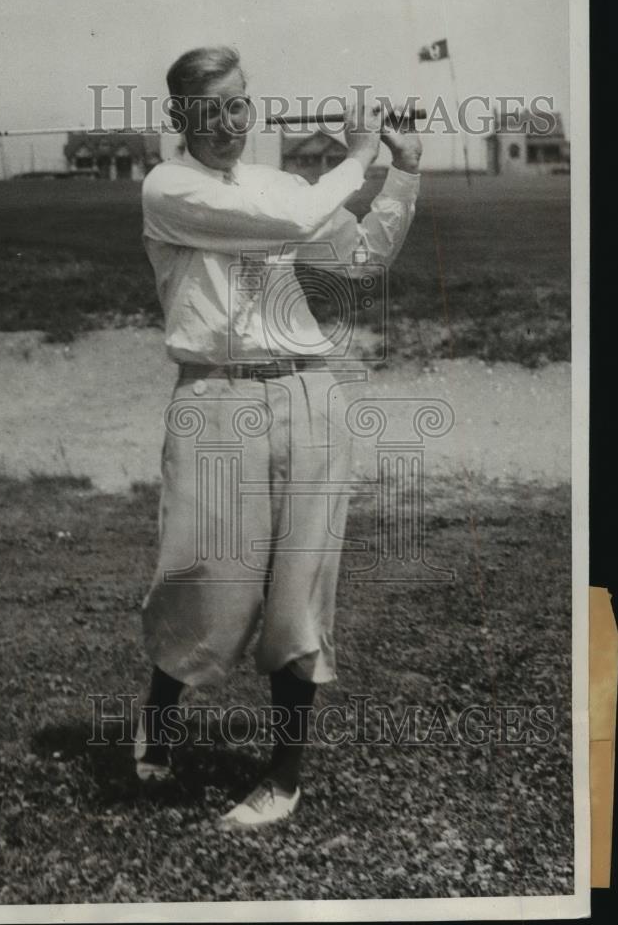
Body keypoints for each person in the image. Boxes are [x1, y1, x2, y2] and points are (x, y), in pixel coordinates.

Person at [135, 45, 422, 827]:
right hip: (215, 400)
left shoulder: (278, 184)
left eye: (238, 105)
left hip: (309, 392)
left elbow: (359, 256)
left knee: (299, 592)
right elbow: (288, 222)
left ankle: (283, 779)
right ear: (178, 119)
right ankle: (158, 721)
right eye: (208, 111)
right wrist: (356, 155)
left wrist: (401, 172)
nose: (227, 123)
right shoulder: (169, 187)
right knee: (203, 580)